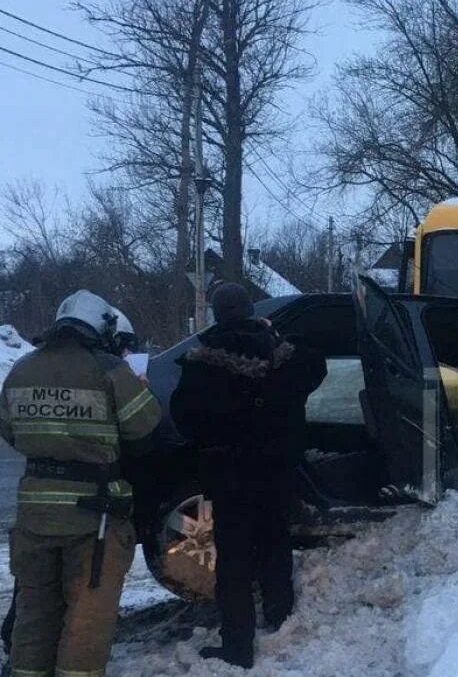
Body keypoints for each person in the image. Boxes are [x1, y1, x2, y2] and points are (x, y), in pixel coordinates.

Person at [0, 289, 161, 677]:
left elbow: (10, 430)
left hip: (35, 516)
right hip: (94, 520)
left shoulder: (22, 368)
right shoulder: (107, 369)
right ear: (101, 327)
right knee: (88, 617)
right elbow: (145, 428)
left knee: (35, 613)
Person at [171, 282, 325, 669]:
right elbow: (315, 367)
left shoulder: (200, 363)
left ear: (216, 314)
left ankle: (238, 645)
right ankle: (281, 617)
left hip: (229, 475)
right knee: (276, 542)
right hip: (276, 471)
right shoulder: (283, 354)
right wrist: (275, 336)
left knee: (235, 560)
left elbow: (184, 418)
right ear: (251, 309)